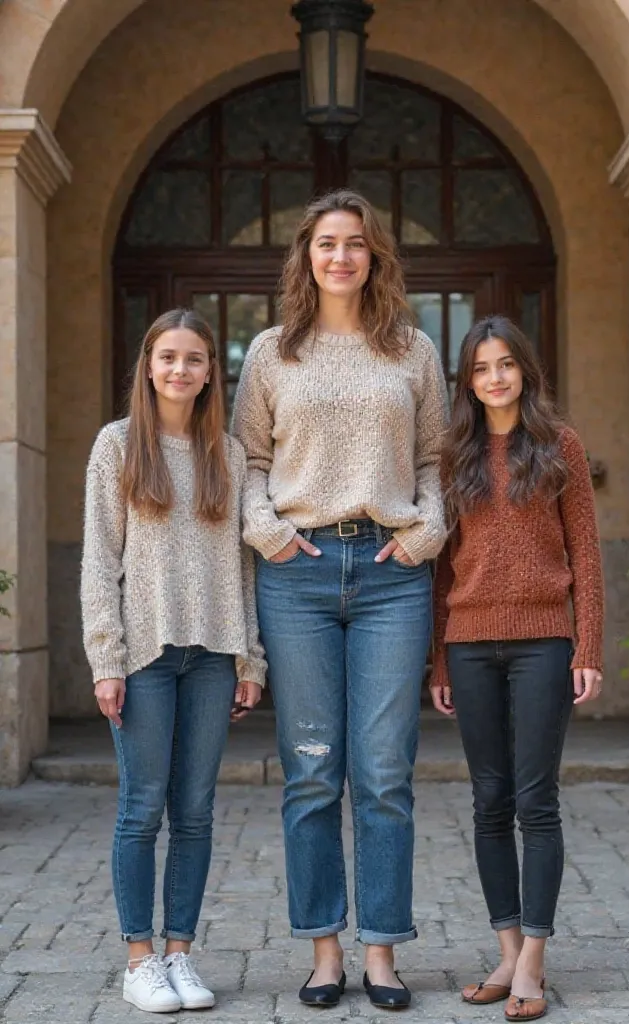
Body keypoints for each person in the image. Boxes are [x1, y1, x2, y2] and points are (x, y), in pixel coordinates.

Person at [233, 189, 449, 1011]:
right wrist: (268, 533)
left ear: (374, 257)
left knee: (386, 773)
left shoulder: (413, 351)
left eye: (355, 244)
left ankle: (384, 954)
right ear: (306, 255)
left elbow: (435, 459)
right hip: (300, 574)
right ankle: (325, 952)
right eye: (327, 243)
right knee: (313, 773)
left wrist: (426, 533)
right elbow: (250, 459)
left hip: (395, 572)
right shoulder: (270, 352)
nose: (341, 257)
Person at [81, 308, 266, 1014]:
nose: (180, 370)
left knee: (194, 812)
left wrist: (251, 660)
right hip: (146, 656)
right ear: (148, 365)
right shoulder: (118, 445)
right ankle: (138, 958)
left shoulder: (231, 452)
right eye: (168, 357)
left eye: (194, 358)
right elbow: (101, 561)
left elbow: (244, 568)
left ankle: (181, 953)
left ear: (211, 370)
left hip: (214, 654)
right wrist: (107, 658)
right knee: (140, 809)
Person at [430, 315, 604, 1021]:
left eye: (506, 364)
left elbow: (587, 554)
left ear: (525, 370)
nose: (495, 377)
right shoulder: (455, 452)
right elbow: (443, 568)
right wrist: (439, 658)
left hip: (543, 645)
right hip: (470, 646)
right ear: (467, 382)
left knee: (537, 800)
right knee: (488, 800)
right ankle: (505, 950)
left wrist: (586, 646)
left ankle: (533, 957)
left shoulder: (559, 445)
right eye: (481, 368)